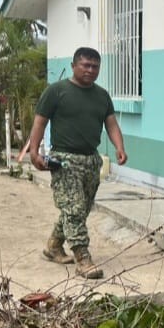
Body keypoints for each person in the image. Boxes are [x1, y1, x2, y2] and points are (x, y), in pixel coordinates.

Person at [26, 47, 128, 279]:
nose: (90, 70)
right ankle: (83, 258)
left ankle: (53, 247)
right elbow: (40, 122)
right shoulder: (57, 91)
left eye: (95, 67)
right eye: (86, 65)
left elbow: (111, 124)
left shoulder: (102, 96)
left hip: (91, 160)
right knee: (73, 209)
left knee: (80, 209)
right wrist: (34, 151)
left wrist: (119, 147)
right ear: (74, 66)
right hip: (64, 160)